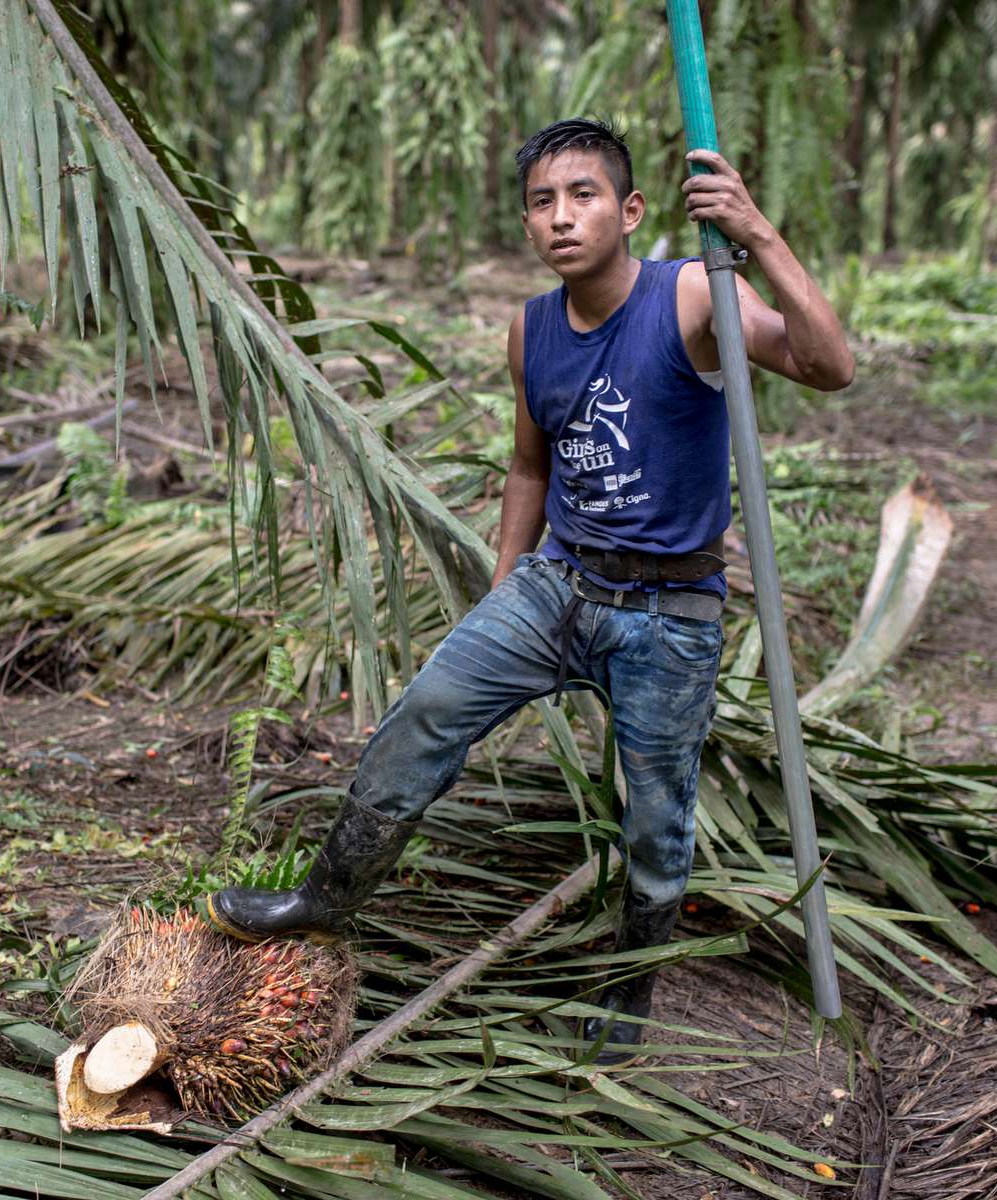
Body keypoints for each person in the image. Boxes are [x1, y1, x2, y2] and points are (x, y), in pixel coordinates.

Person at [209, 118, 853, 1064]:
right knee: (426, 709)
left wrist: (756, 235)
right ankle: (323, 900)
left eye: (583, 195)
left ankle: (632, 986)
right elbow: (528, 466)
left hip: (670, 611)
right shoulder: (532, 328)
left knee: (657, 811)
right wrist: (504, 589)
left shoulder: (689, 295)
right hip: (561, 586)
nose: (561, 217)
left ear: (630, 210)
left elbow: (828, 366)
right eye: (542, 202)